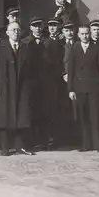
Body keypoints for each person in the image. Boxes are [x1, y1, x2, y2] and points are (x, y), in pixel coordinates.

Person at [0, 21, 36, 156]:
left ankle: (20, 146)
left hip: (21, 88)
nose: (16, 32)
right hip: (4, 87)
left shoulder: (25, 47)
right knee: (4, 117)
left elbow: (30, 69)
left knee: (21, 117)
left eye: (18, 30)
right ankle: (5, 147)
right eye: (13, 30)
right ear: (7, 33)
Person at [67, 22, 99, 154]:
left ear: (90, 34)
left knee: (96, 117)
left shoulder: (97, 48)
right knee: (83, 117)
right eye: (82, 34)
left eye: (87, 33)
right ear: (78, 35)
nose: (85, 36)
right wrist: (71, 89)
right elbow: (71, 70)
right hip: (79, 88)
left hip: (94, 88)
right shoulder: (74, 48)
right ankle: (86, 144)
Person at [21, 16, 49, 150]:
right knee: (30, 112)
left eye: (39, 25)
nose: (38, 28)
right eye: (35, 26)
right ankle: (30, 141)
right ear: (30, 28)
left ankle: (43, 140)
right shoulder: (25, 42)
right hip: (30, 82)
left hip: (45, 81)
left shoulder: (48, 41)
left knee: (44, 111)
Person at [42, 17, 65, 150]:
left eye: (55, 25)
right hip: (47, 80)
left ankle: (58, 138)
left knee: (58, 110)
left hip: (60, 80)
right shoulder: (45, 41)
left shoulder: (62, 41)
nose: (52, 28)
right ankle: (48, 139)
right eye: (50, 25)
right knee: (48, 110)